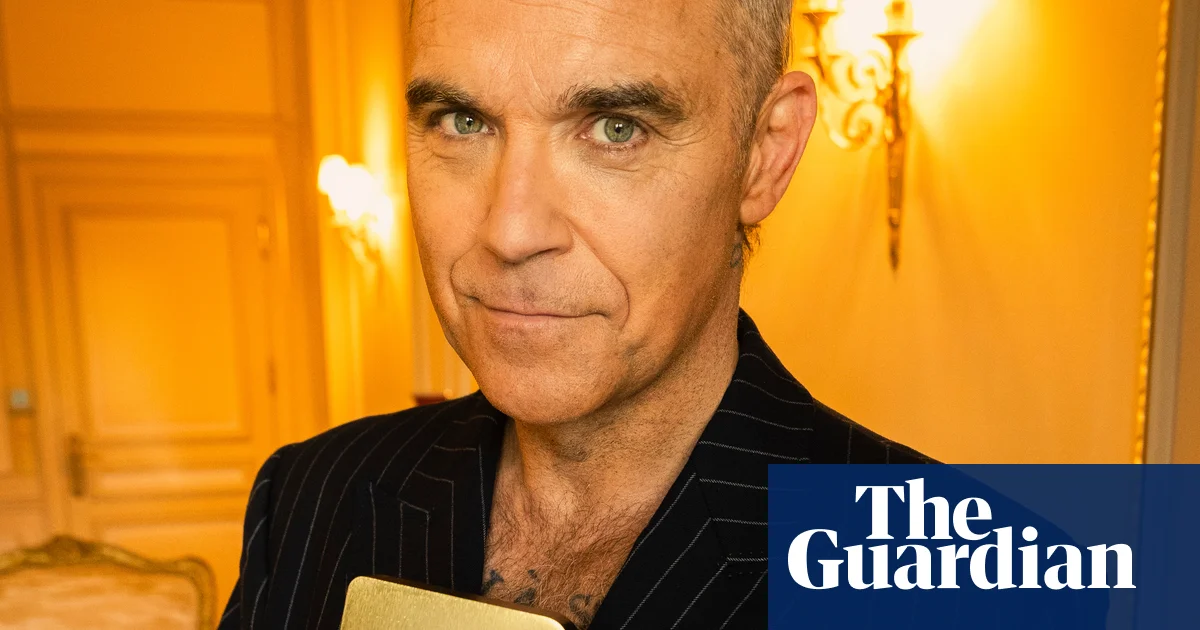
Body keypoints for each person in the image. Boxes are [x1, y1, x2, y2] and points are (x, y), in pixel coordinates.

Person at [219, 0, 929, 628]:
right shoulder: (309, 497)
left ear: (765, 154)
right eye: (463, 123)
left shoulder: (922, 558)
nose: (510, 232)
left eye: (616, 129)